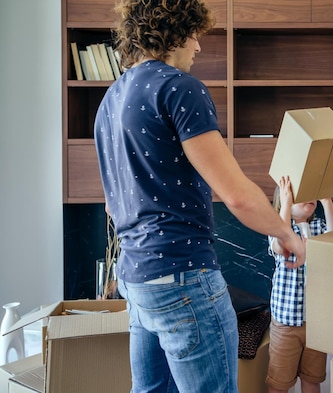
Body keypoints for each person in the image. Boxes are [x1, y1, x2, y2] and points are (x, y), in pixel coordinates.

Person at [93, 1, 305, 392]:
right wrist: (285, 233)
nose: (198, 47)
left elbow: (112, 204)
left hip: (136, 279)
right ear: (173, 31)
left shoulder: (110, 100)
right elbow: (236, 193)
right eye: (194, 35)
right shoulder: (179, 88)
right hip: (182, 279)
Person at [266, 176, 333, 393]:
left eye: (312, 195)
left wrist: (326, 199)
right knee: (278, 383)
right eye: (303, 195)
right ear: (286, 203)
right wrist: (287, 202)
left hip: (315, 323)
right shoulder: (280, 229)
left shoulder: (319, 227)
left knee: (312, 379)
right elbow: (281, 244)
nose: (310, 198)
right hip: (286, 323)